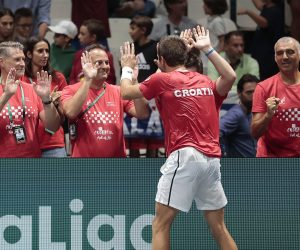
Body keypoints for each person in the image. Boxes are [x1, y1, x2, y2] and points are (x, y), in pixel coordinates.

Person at [120, 26, 238, 249]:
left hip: (185, 156)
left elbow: (126, 92)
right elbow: (230, 75)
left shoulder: (162, 80)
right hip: (211, 161)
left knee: (160, 225)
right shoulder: (204, 81)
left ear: (161, 60)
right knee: (219, 227)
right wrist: (208, 49)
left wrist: (127, 68)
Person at [60, 44, 149, 157]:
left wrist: (135, 80)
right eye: (99, 62)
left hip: (116, 164)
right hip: (83, 165)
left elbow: (142, 113)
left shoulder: (118, 91)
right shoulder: (70, 90)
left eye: (107, 62)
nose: (105, 66)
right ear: (86, 64)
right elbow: (70, 113)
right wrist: (88, 79)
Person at [0, 41, 60, 157]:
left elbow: (52, 127)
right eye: (17, 59)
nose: (22, 64)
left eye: (23, 59)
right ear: (2, 62)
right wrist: (6, 95)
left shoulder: (31, 89)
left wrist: (47, 100)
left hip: (31, 161)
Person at [251, 36, 300, 157]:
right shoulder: (263, 87)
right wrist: (268, 115)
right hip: (272, 159)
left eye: (290, 52)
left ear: (299, 55)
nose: (284, 57)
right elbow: (255, 132)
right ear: (275, 58)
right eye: (279, 53)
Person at [22, 37, 67, 157]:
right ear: (29, 54)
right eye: (40, 51)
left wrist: (55, 105)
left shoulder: (58, 78)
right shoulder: (21, 79)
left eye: (47, 51)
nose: (45, 55)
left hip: (53, 143)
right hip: (28, 142)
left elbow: (63, 117)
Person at [125, 15, 163, 157]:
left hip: (152, 97)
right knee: (134, 138)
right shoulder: (129, 49)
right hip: (133, 95)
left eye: (133, 28)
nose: (130, 31)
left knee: (152, 137)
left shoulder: (156, 48)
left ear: (143, 30)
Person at [237, 0, 285, 80]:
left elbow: (264, 23)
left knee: (265, 77)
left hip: (268, 53)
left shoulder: (275, 10)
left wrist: (248, 12)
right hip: (261, 49)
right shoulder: (266, 7)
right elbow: (258, 5)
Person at [220, 74, 259, 157]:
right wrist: (224, 155)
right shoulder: (236, 114)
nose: (253, 96)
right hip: (241, 167)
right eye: (249, 92)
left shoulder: (253, 112)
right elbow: (217, 132)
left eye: (256, 92)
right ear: (239, 93)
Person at [69, 19, 116, 85]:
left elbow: (110, 80)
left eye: (83, 34)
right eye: (79, 33)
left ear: (93, 37)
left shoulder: (107, 56)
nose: (79, 37)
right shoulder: (78, 54)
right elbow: (72, 79)